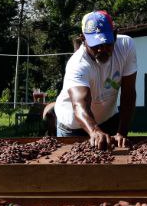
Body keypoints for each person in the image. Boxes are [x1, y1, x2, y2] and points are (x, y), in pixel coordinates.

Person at [52, 10, 137, 148]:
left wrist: (122, 132)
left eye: (107, 43)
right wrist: (94, 130)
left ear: (115, 35)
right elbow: (80, 104)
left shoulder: (126, 46)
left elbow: (128, 93)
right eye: (95, 44)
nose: (101, 49)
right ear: (83, 39)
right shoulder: (77, 64)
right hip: (74, 126)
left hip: (108, 118)